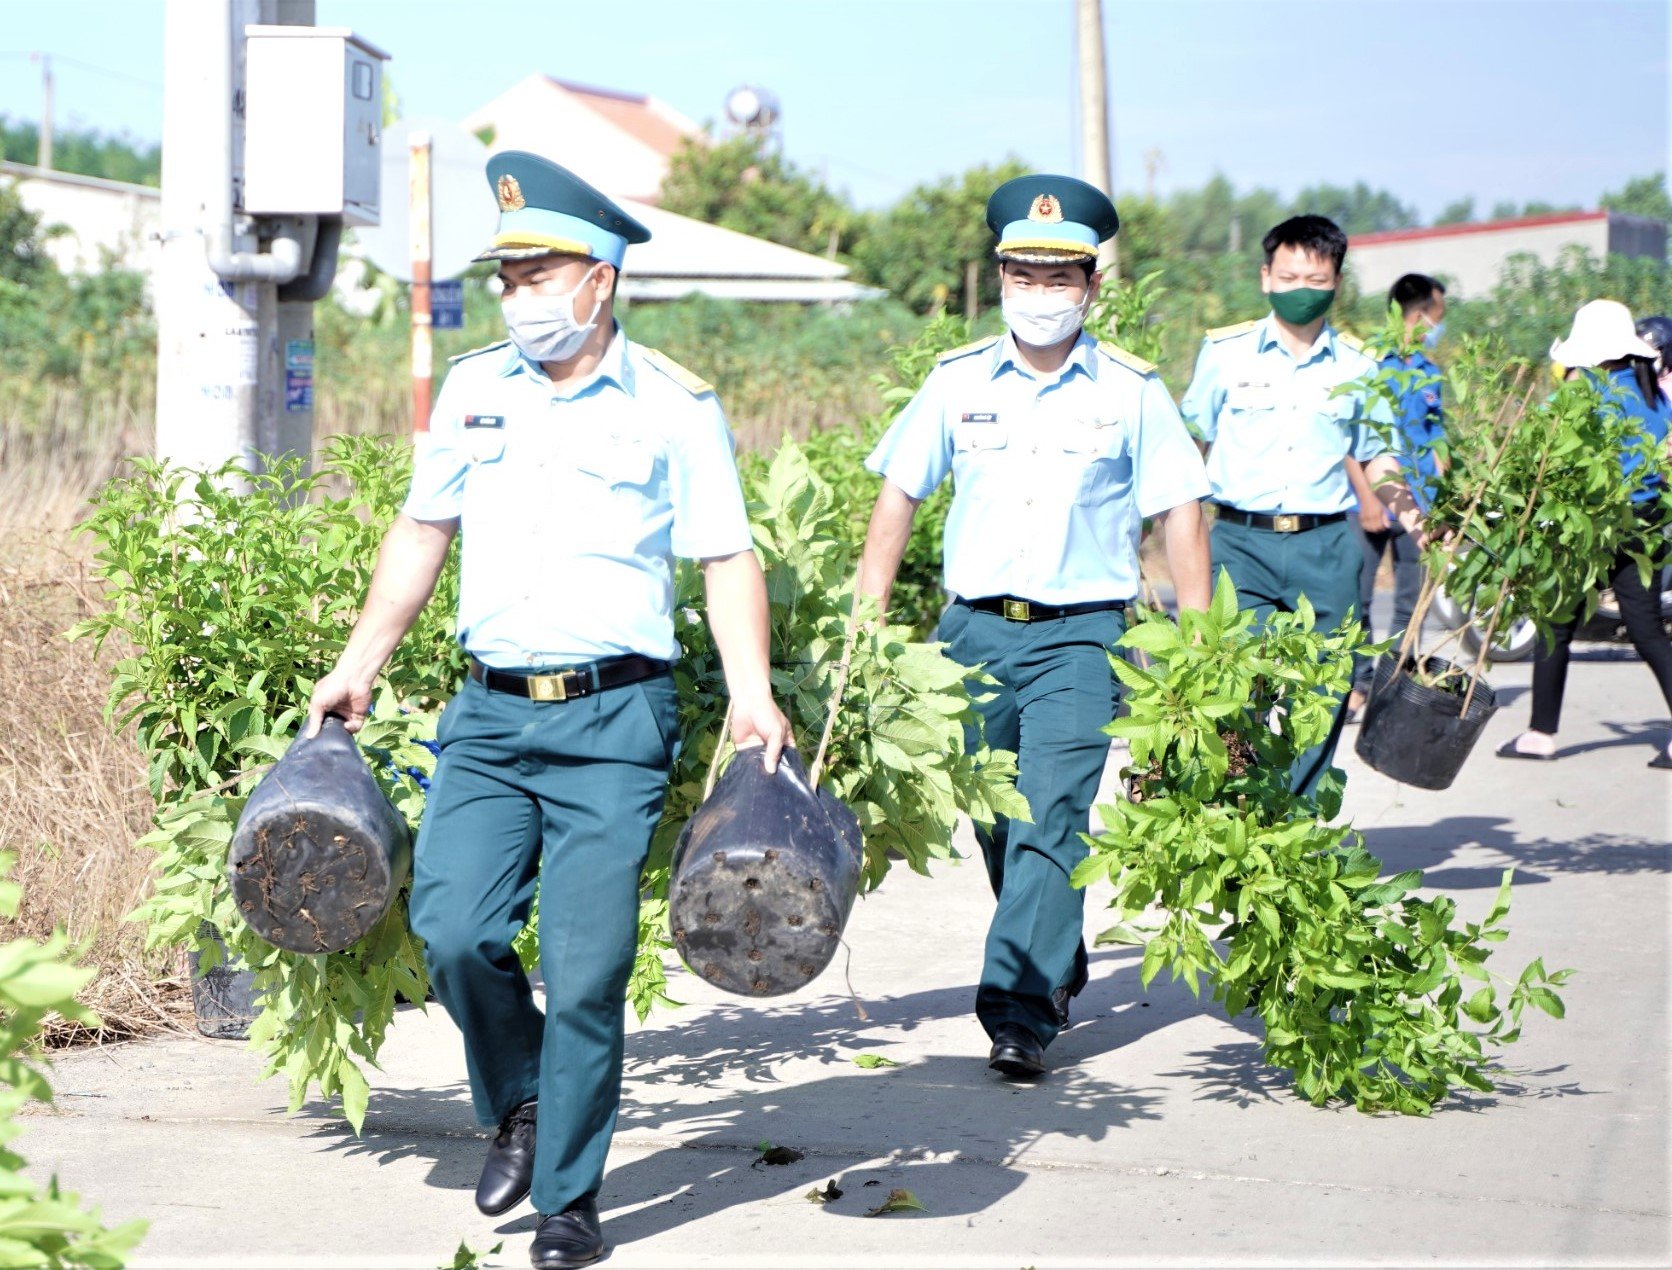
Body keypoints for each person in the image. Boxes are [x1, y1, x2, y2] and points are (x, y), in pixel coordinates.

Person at [305, 151, 790, 1269]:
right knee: (453, 930)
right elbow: (422, 532)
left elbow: (725, 555)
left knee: (586, 967)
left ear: (601, 278)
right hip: (485, 718)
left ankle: (569, 1195)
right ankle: (523, 1097)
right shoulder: (476, 390)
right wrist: (359, 661)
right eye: (508, 274)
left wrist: (754, 692)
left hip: (612, 726)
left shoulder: (673, 406)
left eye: (538, 271)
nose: (518, 293)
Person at [856, 175, 1212, 1081]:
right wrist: (866, 621)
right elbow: (898, 492)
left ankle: (1017, 1014)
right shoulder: (957, 382)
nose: (1041, 291)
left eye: (1061, 276)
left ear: (1091, 285)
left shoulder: (1131, 390)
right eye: (1025, 272)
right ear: (1001, 275)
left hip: (1081, 636)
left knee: (1053, 812)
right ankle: (1054, 948)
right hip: (970, 638)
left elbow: (1183, 511)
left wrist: (1199, 650)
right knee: (995, 819)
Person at [1180, 215, 1421, 796]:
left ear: (1336, 282)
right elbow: (1190, 445)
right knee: (1239, 686)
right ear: (1266, 277)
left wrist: (1416, 518)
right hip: (1241, 544)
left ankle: (1297, 819)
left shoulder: (1360, 367)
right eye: (1288, 276)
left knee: (1325, 689)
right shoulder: (1225, 353)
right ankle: (1244, 808)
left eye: (1315, 277)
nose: (1300, 288)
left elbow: (1377, 456)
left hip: (1326, 546)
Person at [1497, 299, 1672, 769]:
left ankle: (1541, 734)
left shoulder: (1576, 397)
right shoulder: (1655, 396)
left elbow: (1537, 456)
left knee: (1555, 626)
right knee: (1647, 629)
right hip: (1646, 524)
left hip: (1585, 523)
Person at [1347, 273, 1448, 719]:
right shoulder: (1369, 364)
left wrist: (1440, 502)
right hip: (1365, 502)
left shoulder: (1430, 372)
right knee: (1359, 601)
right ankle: (1358, 684)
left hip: (1420, 505)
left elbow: (1436, 439)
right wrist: (1368, 498)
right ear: (1420, 313)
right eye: (1438, 316)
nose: (1439, 326)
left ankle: (1394, 686)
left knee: (1413, 601)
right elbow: (1350, 438)